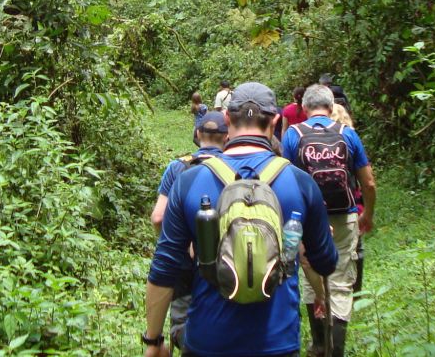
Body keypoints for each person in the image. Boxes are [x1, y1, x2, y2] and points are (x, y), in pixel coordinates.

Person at [145, 82, 339, 357]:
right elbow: (326, 262)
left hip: (207, 341)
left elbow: (164, 268)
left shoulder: (189, 180)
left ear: (227, 119)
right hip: (277, 343)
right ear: (274, 121)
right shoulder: (300, 182)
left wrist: (153, 341)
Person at [283, 85, 376, 357]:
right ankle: (337, 350)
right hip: (344, 215)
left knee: (310, 273)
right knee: (340, 282)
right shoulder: (348, 134)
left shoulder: (293, 135)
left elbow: (285, 182)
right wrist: (367, 213)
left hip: (307, 219)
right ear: (331, 105)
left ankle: (318, 345)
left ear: (304, 108)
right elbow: (368, 182)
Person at [150, 111, 229, 350]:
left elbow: (158, 217)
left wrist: (172, 243)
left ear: (197, 134)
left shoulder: (177, 167)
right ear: (227, 137)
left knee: (183, 321)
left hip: (184, 264)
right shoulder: (232, 166)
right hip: (224, 261)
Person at [331, 103, 366, 296]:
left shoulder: (314, 141)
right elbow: (366, 178)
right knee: (356, 245)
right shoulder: (351, 137)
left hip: (324, 204)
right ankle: (355, 288)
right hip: (352, 199)